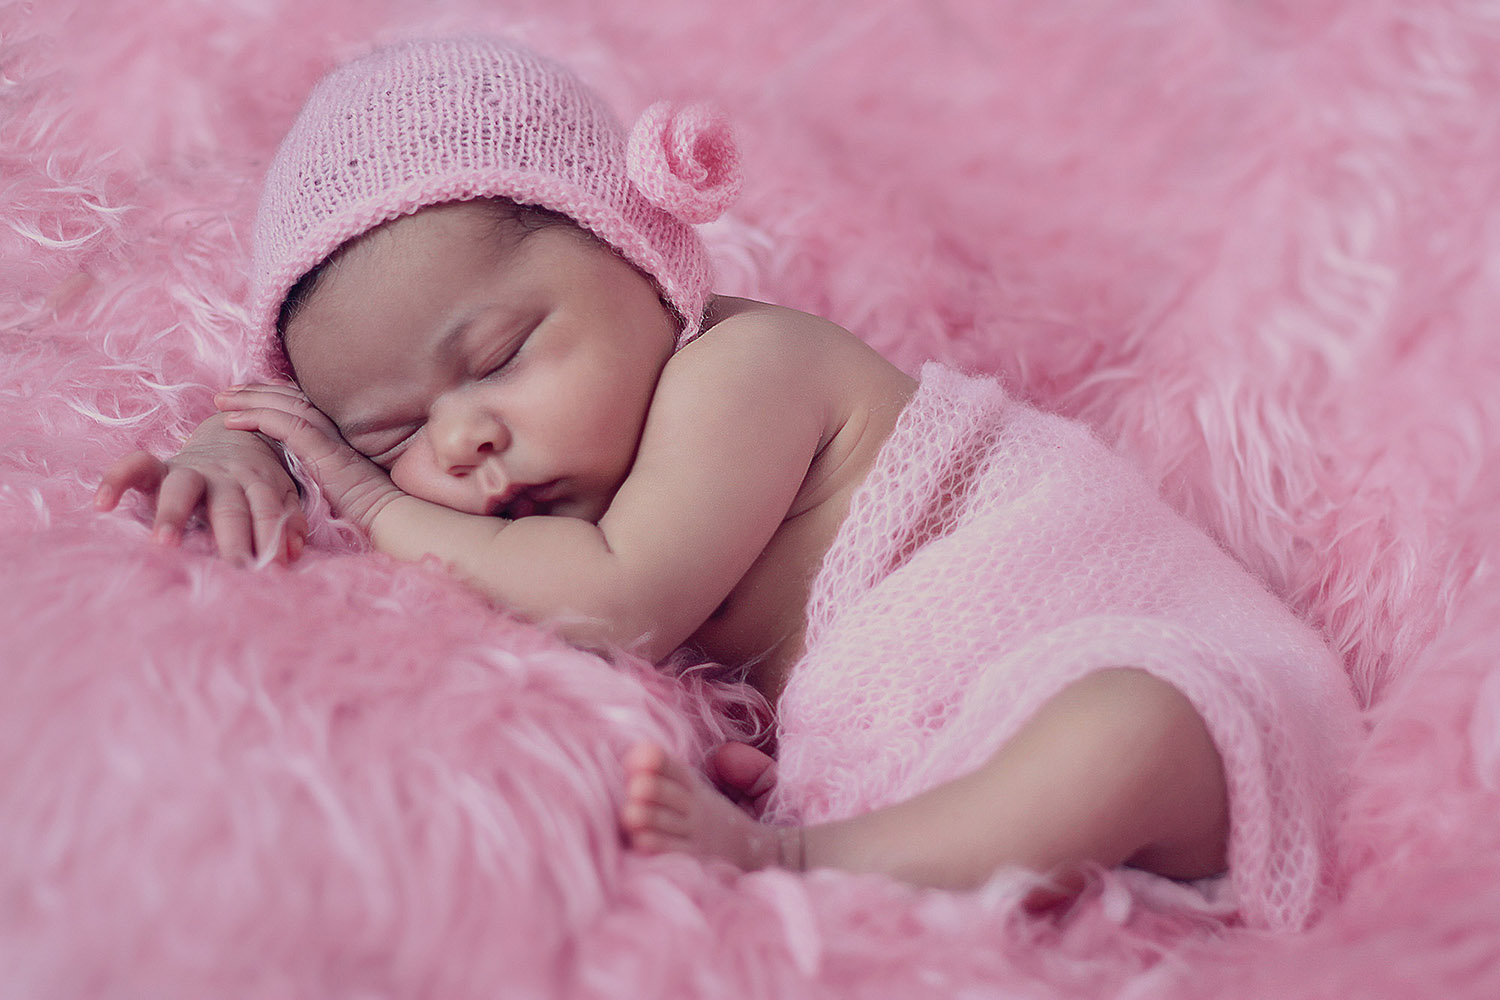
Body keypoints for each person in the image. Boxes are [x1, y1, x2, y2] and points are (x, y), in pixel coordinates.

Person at [95, 36, 1358, 925]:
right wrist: (249, 449)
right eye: (390, 435)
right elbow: (375, 494)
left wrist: (369, 494)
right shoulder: (542, 480)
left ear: (642, 260)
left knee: (1125, 728)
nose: (463, 440)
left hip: (1184, 686)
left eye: (498, 356)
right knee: (1060, 764)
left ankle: (810, 859)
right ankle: (915, 843)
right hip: (970, 733)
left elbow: (614, 596)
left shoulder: (742, 368)